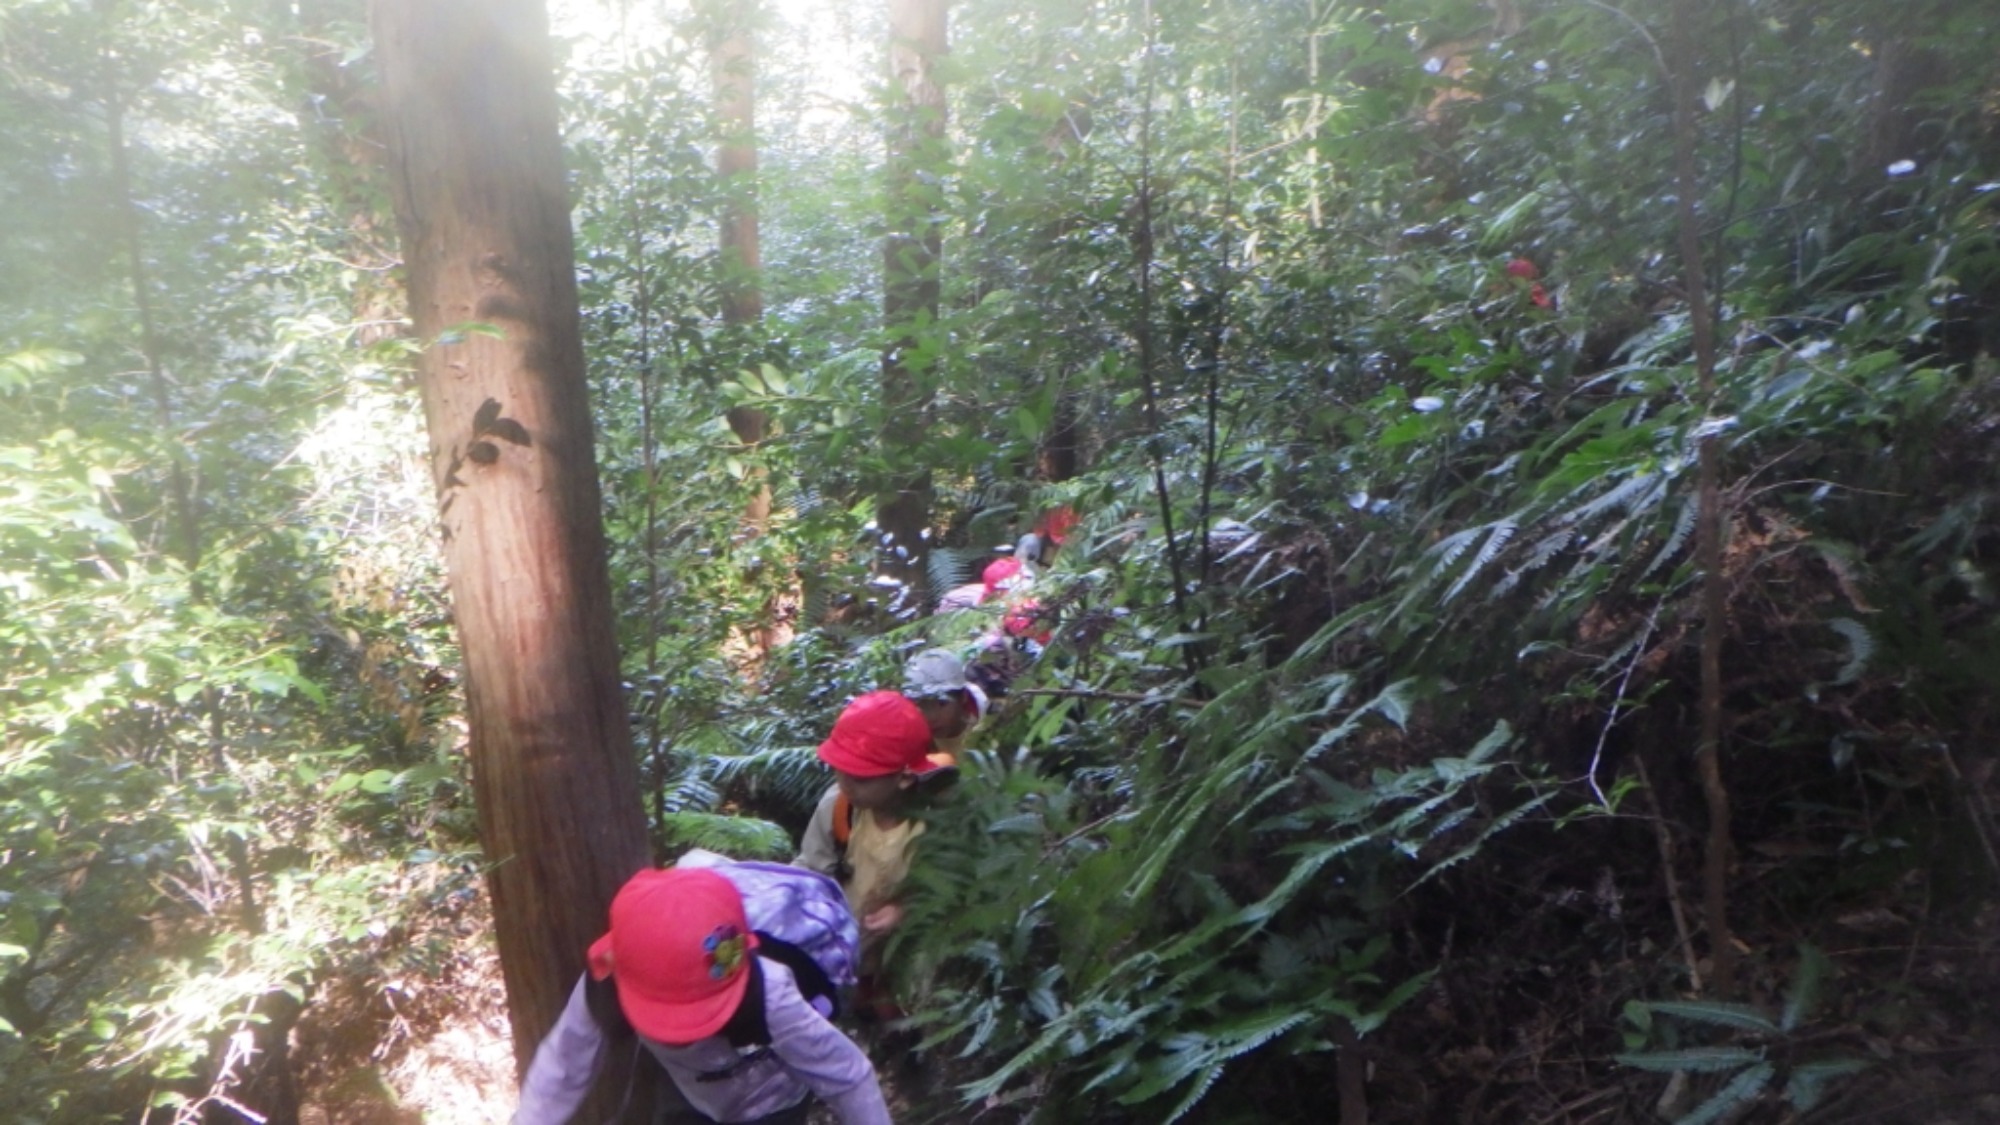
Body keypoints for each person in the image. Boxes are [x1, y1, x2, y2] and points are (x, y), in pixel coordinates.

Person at [514, 867, 891, 1125]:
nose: (684, 1033)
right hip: (689, 1096)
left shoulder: (771, 995)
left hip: (774, 1098)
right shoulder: (611, 977)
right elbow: (563, 1067)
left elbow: (846, 1076)